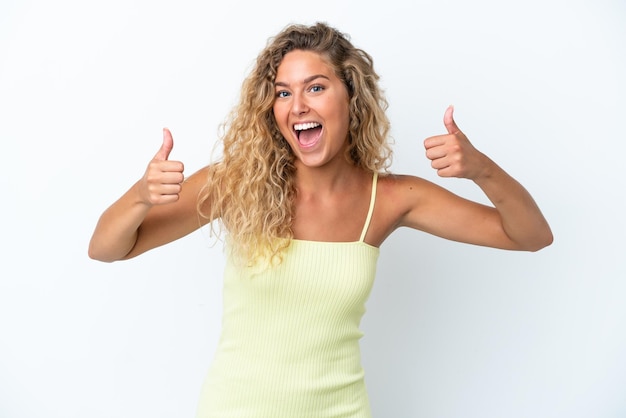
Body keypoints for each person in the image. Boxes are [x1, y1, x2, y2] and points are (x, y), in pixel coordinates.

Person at [88, 22, 552, 418]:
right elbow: (107, 248)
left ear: (351, 96)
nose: (298, 105)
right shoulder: (235, 184)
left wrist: (482, 169)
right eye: (283, 92)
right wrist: (141, 196)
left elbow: (531, 236)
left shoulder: (390, 199)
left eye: (316, 87)